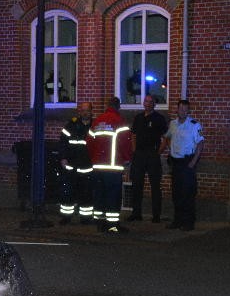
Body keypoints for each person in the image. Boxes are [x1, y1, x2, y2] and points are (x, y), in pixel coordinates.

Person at [86, 96, 133, 233]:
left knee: (100, 195)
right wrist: (127, 159)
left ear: (107, 105)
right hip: (112, 167)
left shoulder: (97, 122)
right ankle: (112, 226)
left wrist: (94, 158)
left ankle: (100, 224)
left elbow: (88, 143)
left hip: (98, 167)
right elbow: (125, 143)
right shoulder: (119, 121)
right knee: (113, 196)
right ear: (118, 106)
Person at [160, 99, 204, 232]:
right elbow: (166, 136)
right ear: (177, 110)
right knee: (177, 194)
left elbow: (200, 144)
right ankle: (177, 220)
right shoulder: (173, 124)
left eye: (186, 109)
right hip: (176, 163)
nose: (183, 111)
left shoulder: (194, 125)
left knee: (188, 194)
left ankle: (189, 222)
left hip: (187, 162)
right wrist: (170, 148)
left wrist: (193, 162)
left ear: (188, 111)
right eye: (181, 109)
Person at [128, 94, 168, 223]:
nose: (147, 103)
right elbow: (133, 135)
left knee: (155, 186)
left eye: (150, 102)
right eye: (146, 101)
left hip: (152, 155)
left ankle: (156, 215)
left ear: (154, 104)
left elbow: (165, 138)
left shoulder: (159, 119)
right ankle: (136, 213)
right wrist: (134, 150)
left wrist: (159, 152)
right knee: (136, 184)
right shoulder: (138, 118)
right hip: (139, 155)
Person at [58, 102, 94, 225]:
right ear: (79, 112)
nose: (85, 113)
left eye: (87, 110)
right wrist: (63, 158)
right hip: (71, 165)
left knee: (86, 194)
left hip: (87, 166)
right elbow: (62, 142)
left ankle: (85, 218)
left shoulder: (95, 126)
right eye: (83, 110)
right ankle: (66, 217)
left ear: (91, 111)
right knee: (68, 193)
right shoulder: (71, 125)